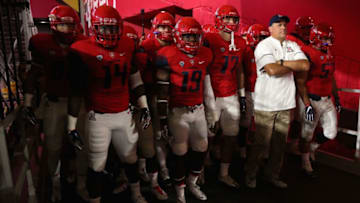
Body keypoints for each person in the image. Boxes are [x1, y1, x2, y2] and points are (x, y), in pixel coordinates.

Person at [66, 5, 151, 203]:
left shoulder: (128, 45)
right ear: (94, 28)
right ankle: (95, 199)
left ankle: (136, 193)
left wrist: (144, 106)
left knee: (130, 158)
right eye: (104, 28)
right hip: (98, 116)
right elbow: (76, 91)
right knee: (96, 164)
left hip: (123, 113)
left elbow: (135, 79)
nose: (109, 33)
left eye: (113, 28)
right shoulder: (81, 50)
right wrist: (71, 126)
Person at [23, 5, 88, 202]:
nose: (68, 30)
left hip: (80, 104)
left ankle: (81, 183)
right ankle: (56, 181)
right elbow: (33, 74)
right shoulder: (42, 43)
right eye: (63, 26)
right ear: (53, 26)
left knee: (81, 146)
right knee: (52, 147)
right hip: (55, 102)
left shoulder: (83, 43)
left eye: (71, 26)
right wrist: (27, 104)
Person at [156, 17, 217, 203]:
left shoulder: (206, 54)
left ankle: (192, 183)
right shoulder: (166, 54)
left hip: (197, 109)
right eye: (188, 37)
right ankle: (180, 190)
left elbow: (207, 87)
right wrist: (163, 119)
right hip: (178, 111)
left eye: (194, 37)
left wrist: (211, 112)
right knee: (179, 151)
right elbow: (162, 92)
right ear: (178, 37)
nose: (191, 41)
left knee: (201, 148)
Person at [245, 14, 310, 189]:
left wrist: (281, 61)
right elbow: (271, 70)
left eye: (284, 25)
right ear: (270, 28)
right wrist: (290, 65)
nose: (282, 27)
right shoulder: (263, 45)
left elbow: (305, 65)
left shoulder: (292, 44)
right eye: (278, 25)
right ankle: (250, 175)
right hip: (266, 104)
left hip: (285, 104)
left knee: (279, 145)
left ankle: (272, 175)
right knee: (261, 144)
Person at [204, 5, 246, 188]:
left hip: (231, 95)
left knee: (231, 135)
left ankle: (224, 173)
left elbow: (239, 71)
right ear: (219, 20)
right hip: (212, 94)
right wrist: (207, 97)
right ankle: (200, 170)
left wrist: (242, 96)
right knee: (207, 135)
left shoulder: (241, 43)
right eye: (227, 18)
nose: (231, 22)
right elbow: (202, 69)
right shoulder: (209, 39)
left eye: (234, 19)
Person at [137, 11, 176, 190]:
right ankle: (158, 168)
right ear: (155, 27)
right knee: (155, 134)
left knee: (168, 134)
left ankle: (165, 168)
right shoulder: (147, 45)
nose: (166, 30)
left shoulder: (176, 44)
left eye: (169, 26)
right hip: (151, 94)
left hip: (172, 93)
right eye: (162, 26)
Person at [298, 22, 341, 178]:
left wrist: (336, 97)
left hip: (327, 99)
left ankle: (312, 148)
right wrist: (307, 104)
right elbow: (301, 81)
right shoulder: (307, 53)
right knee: (306, 134)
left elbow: (331, 77)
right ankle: (305, 163)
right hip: (311, 98)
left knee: (331, 132)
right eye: (325, 39)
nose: (328, 43)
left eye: (329, 39)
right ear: (315, 38)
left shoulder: (329, 52)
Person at [239, 24, 270, 158]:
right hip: (249, 90)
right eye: (259, 37)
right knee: (245, 122)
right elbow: (240, 72)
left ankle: (260, 149)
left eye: (264, 38)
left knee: (263, 124)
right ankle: (241, 146)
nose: (261, 41)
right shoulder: (246, 51)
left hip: (263, 92)